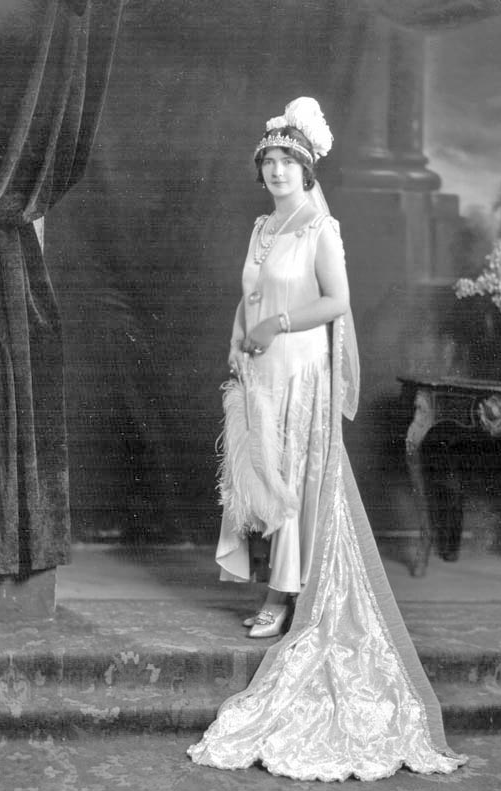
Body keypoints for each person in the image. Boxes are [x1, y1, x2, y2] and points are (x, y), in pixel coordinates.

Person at [188, 97, 467, 782]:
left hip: (302, 367)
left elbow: (336, 301)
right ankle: (274, 584)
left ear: (307, 169)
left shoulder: (320, 226)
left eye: (288, 161)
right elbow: (249, 296)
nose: (277, 171)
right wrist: (237, 343)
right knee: (261, 472)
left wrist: (275, 325)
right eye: (269, 161)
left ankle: (284, 596)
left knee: (293, 479)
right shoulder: (262, 227)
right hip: (261, 366)